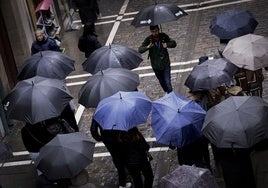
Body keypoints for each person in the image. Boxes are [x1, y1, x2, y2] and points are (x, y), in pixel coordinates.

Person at [90, 119, 131, 188]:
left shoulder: (99, 113)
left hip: (108, 139)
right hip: (120, 136)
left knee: (116, 157)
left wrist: (100, 138)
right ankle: (124, 179)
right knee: (124, 155)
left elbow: (93, 130)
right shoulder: (118, 109)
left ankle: (123, 181)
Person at [138, 25, 177, 93]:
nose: (155, 33)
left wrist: (167, 44)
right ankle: (167, 91)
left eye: (156, 31)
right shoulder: (149, 39)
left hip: (165, 64)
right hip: (156, 66)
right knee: (162, 82)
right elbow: (140, 49)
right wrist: (147, 47)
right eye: (153, 31)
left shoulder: (163, 36)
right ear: (151, 31)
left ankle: (171, 96)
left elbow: (174, 43)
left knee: (167, 82)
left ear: (158, 30)